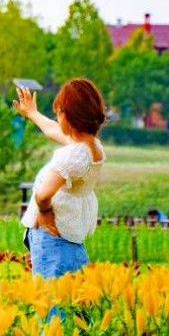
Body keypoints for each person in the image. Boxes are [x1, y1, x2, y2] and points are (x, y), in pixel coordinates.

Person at [15, 79, 107, 279]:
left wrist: (45, 211)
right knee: (73, 299)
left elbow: (42, 194)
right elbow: (53, 130)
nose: (57, 117)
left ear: (69, 116)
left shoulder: (73, 156)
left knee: (53, 304)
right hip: (67, 237)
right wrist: (32, 113)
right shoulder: (92, 147)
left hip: (52, 237)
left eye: (59, 112)